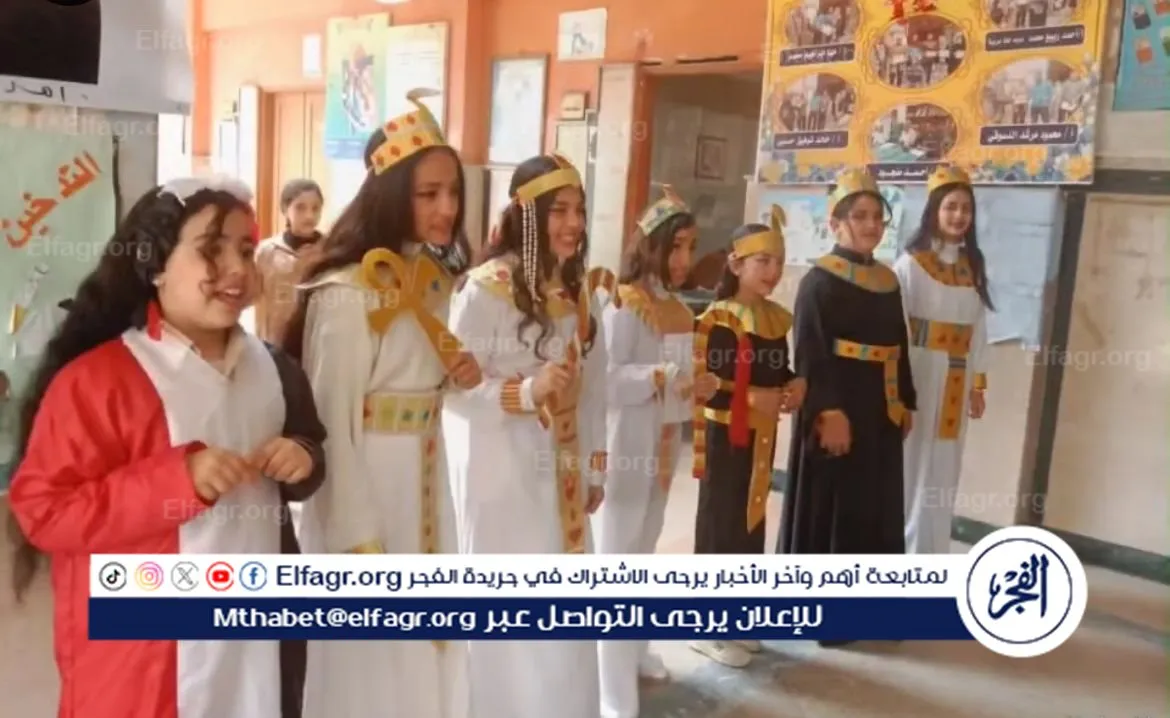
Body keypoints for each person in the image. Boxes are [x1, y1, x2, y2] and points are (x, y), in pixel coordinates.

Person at [5, 176, 327, 718]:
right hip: (144, 653)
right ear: (154, 264)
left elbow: (310, 449)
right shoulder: (100, 381)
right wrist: (177, 482)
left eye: (246, 250)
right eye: (212, 250)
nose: (236, 268)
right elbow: (43, 510)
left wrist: (303, 458)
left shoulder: (274, 368)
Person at [282, 89, 480, 718]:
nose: (447, 208)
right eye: (429, 194)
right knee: (371, 659)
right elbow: (332, 425)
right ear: (392, 194)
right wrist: (356, 538)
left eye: (453, 192)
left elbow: (413, 381)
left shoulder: (434, 281)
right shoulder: (346, 292)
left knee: (431, 643)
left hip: (428, 480)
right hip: (370, 490)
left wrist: (453, 376)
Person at [443, 153, 610, 718]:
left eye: (579, 210)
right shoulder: (484, 290)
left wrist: (594, 467)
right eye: (559, 210)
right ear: (527, 214)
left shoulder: (578, 291)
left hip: (562, 475)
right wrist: (526, 392)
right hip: (501, 474)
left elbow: (595, 387)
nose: (573, 223)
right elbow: (455, 390)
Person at [778, 168, 916, 648]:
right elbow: (809, 353)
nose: (871, 225)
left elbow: (898, 345)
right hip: (838, 406)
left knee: (875, 505)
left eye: (878, 216)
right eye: (860, 216)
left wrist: (905, 400)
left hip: (881, 406)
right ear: (836, 224)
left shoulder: (887, 280)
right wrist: (827, 411)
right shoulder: (819, 282)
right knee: (837, 507)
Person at [594, 186, 718, 717]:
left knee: (644, 551)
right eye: (676, 247)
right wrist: (659, 377)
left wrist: (696, 386)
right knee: (616, 560)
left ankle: (636, 646)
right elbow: (605, 381)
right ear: (651, 247)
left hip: (663, 448)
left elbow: (676, 385)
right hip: (625, 448)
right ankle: (608, 681)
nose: (685, 259)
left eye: (691, 246)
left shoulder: (678, 309)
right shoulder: (624, 304)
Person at [690, 208, 805, 668]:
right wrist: (750, 395)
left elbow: (778, 370)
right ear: (736, 265)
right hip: (726, 435)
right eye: (763, 262)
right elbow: (708, 380)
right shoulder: (720, 318)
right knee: (721, 522)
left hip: (762, 436)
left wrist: (795, 383)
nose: (772, 272)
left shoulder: (774, 318)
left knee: (751, 520)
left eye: (778, 262)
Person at [895, 166, 991, 554]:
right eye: (951, 206)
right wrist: (898, 388)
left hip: (957, 377)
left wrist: (978, 384)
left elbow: (978, 327)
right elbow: (897, 327)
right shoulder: (910, 264)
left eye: (966, 208)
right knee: (911, 464)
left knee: (944, 466)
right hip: (919, 373)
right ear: (934, 210)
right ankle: (900, 553)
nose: (958, 215)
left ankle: (932, 554)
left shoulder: (973, 265)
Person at [246, 178, 324, 343]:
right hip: (274, 342)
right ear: (285, 209)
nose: (309, 215)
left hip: (316, 341)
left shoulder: (329, 251)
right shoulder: (266, 251)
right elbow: (250, 296)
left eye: (315, 208)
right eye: (300, 207)